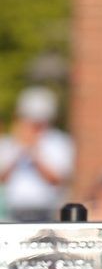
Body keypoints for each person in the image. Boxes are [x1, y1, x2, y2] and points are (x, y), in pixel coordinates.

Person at [0, 86, 75, 222]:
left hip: (46, 211)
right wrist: (19, 149)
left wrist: (33, 151)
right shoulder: (10, 141)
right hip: (13, 211)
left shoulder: (58, 141)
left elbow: (56, 179)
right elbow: (3, 177)